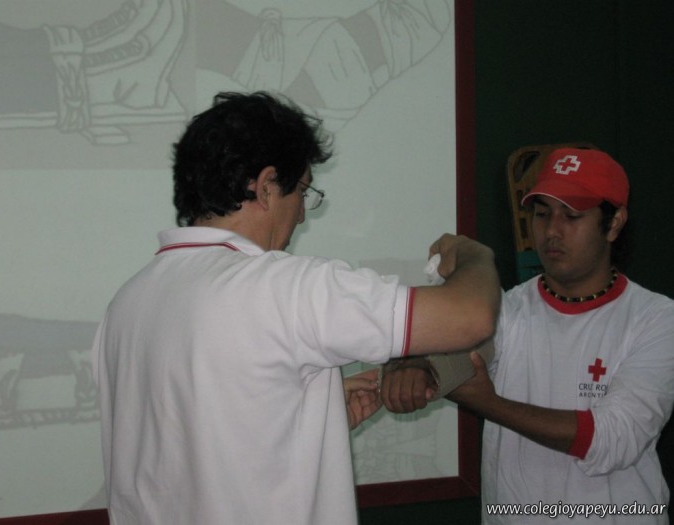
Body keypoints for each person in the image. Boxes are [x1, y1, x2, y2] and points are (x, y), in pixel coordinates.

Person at [92, 91, 501, 525]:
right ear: (267, 186)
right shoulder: (284, 286)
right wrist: (475, 254)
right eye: (303, 191)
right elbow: (470, 316)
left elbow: (183, 452)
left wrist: (302, 420)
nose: (302, 215)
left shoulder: (127, 304)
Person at [381, 147, 674, 524]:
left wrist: (490, 404)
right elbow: (450, 354)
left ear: (614, 223)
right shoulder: (505, 309)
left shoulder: (657, 319)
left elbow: (613, 439)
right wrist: (412, 366)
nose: (552, 230)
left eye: (571, 215)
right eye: (541, 214)